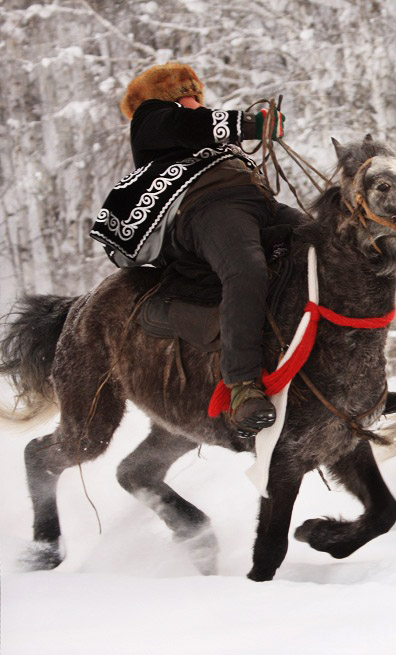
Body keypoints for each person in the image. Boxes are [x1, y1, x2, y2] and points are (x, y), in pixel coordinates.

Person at [90, 62, 299, 436]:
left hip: (255, 201)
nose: (193, 101)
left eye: (194, 94)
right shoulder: (153, 118)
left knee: (331, 246)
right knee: (245, 268)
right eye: (182, 95)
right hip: (207, 207)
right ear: (164, 99)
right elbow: (190, 126)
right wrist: (251, 126)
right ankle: (242, 385)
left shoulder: (202, 132)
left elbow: (200, 125)